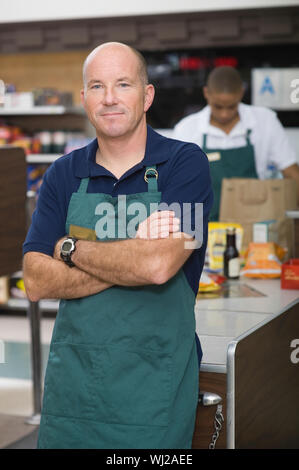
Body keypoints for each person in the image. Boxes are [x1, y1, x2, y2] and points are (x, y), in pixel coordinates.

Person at [23, 42, 213, 449]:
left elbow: (159, 267)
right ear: (84, 98)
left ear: (146, 96)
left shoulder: (189, 165)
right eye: (97, 86)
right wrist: (134, 254)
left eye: (123, 84)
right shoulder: (61, 174)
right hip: (71, 390)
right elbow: (36, 281)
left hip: (154, 391)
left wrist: (71, 248)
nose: (109, 98)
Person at [173, 66, 299, 221]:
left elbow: (292, 174)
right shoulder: (187, 129)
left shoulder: (265, 121)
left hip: (255, 223)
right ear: (206, 93)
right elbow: (177, 186)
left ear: (241, 93)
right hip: (207, 228)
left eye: (231, 106)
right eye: (218, 106)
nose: (224, 114)